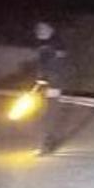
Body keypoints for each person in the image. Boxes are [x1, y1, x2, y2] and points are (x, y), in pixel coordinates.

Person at [34, 22, 66, 155]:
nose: (38, 32)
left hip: (53, 83)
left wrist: (45, 80)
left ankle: (46, 146)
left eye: (41, 29)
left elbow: (55, 65)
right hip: (49, 83)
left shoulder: (53, 45)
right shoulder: (51, 44)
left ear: (49, 29)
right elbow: (45, 65)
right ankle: (46, 143)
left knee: (48, 114)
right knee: (45, 114)